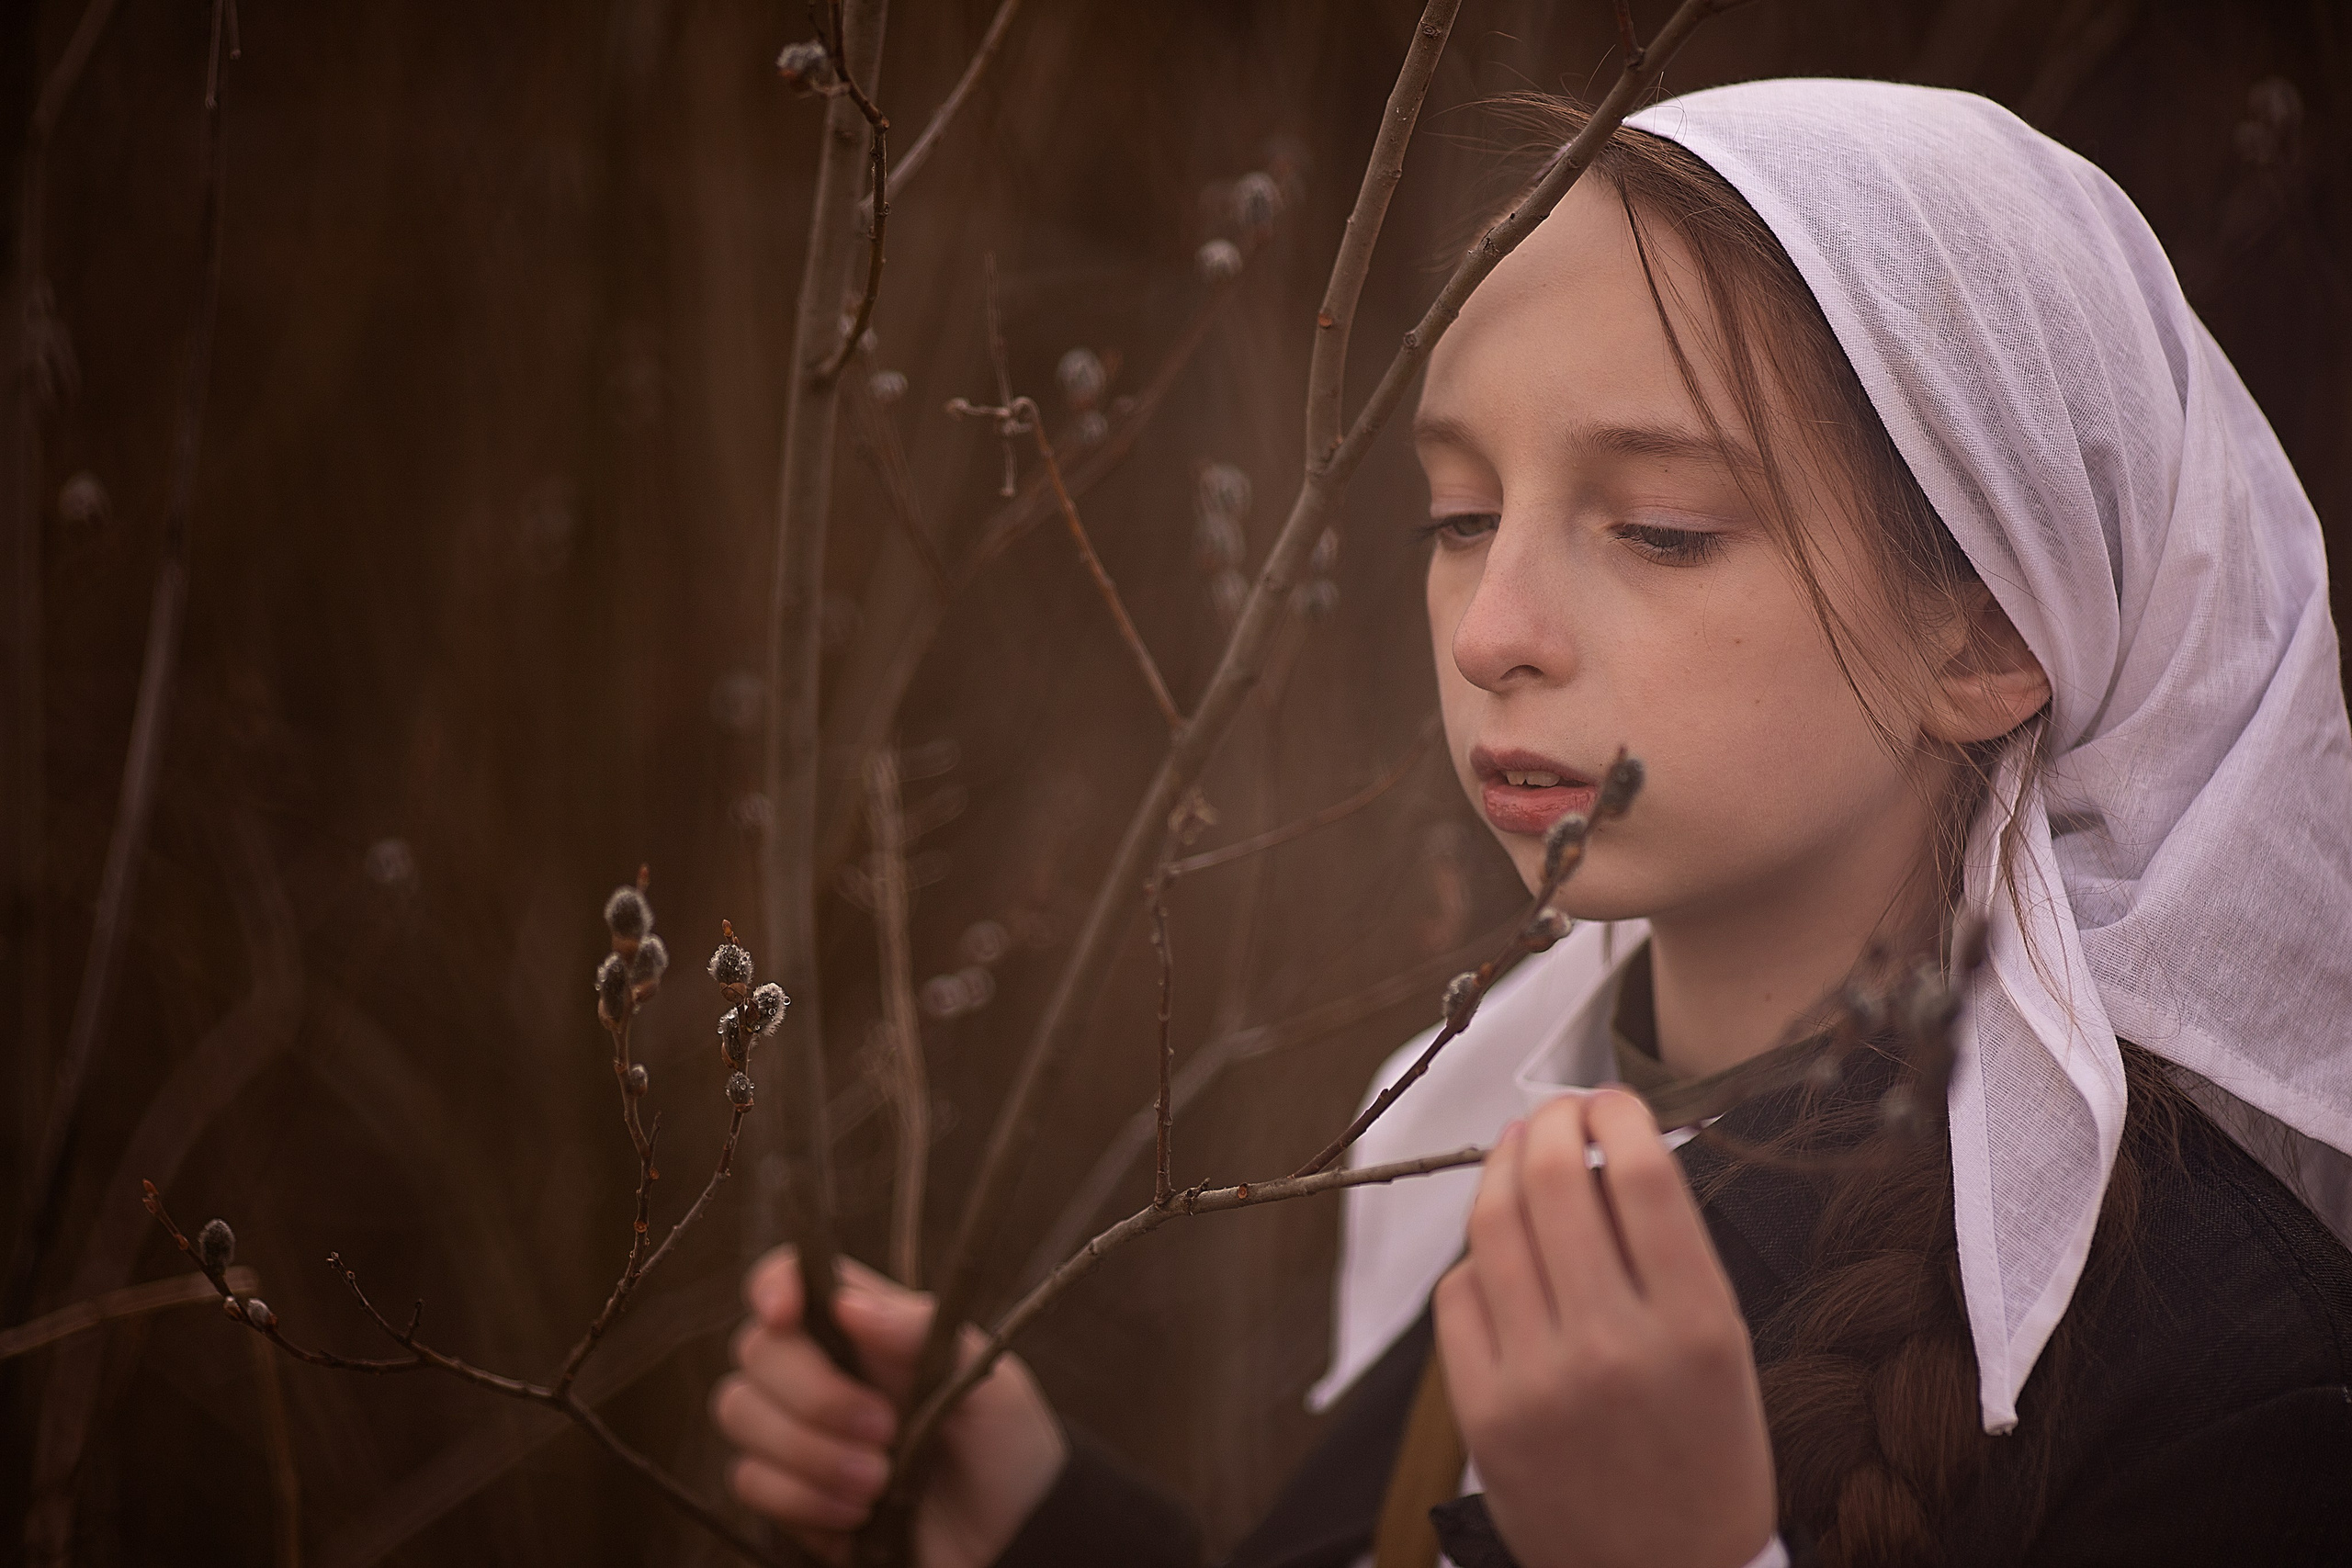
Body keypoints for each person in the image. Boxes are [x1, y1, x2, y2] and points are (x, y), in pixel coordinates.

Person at [709, 79, 2352, 1568]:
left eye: (1658, 528)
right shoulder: (1481, 1136)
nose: (1492, 626)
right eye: (1460, 514)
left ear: (1996, 630)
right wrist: (1045, 1526)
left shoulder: (2233, 1371)